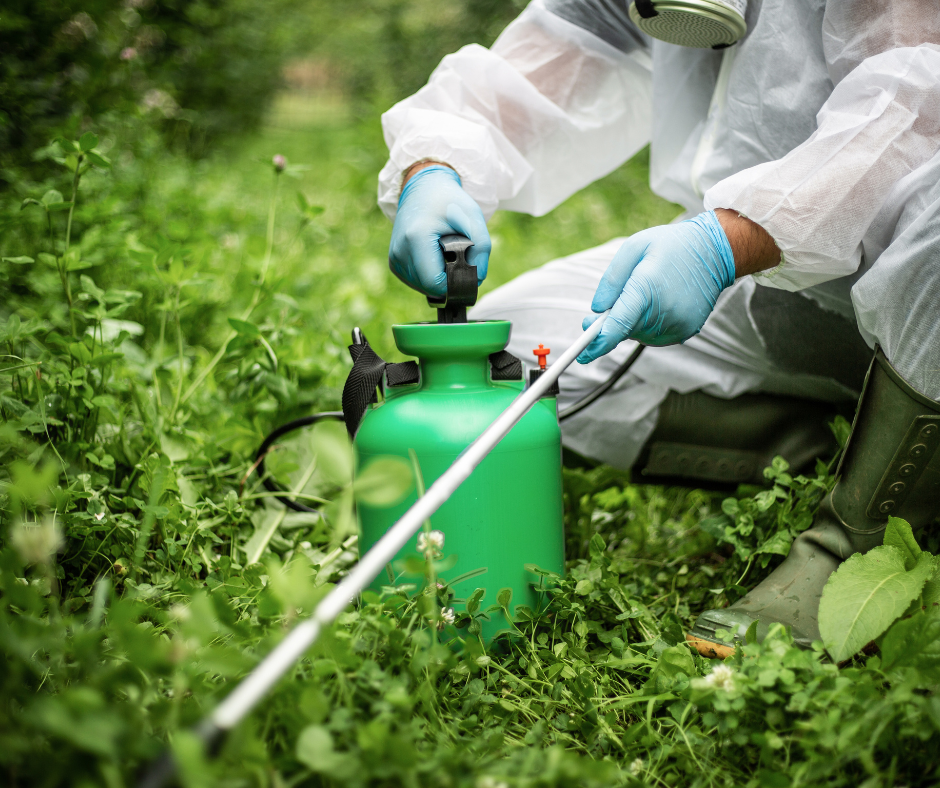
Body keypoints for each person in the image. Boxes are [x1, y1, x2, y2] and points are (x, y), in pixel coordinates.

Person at [376, 0, 940, 657]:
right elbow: (534, 65)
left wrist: (726, 243)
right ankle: (863, 446)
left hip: (910, 271)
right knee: (519, 365)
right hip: (770, 290)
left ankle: (857, 540)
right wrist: (435, 167)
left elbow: (917, 105)